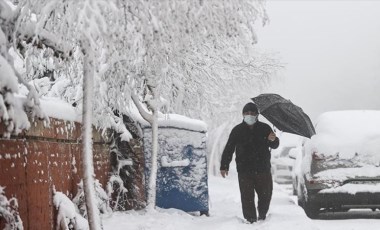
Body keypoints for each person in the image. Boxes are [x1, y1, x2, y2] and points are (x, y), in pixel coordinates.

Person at [220, 102, 279, 223]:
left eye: (252, 113)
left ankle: (262, 215)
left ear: (257, 115)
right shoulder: (237, 130)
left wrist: (273, 139)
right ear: (243, 114)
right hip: (244, 169)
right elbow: (229, 148)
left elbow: (275, 145)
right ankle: (250, 219)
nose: (249, 115)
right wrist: (224, 165)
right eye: (247, 113)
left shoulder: (265, 128)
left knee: (265, 195)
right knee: (247, 197)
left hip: (263, 169)